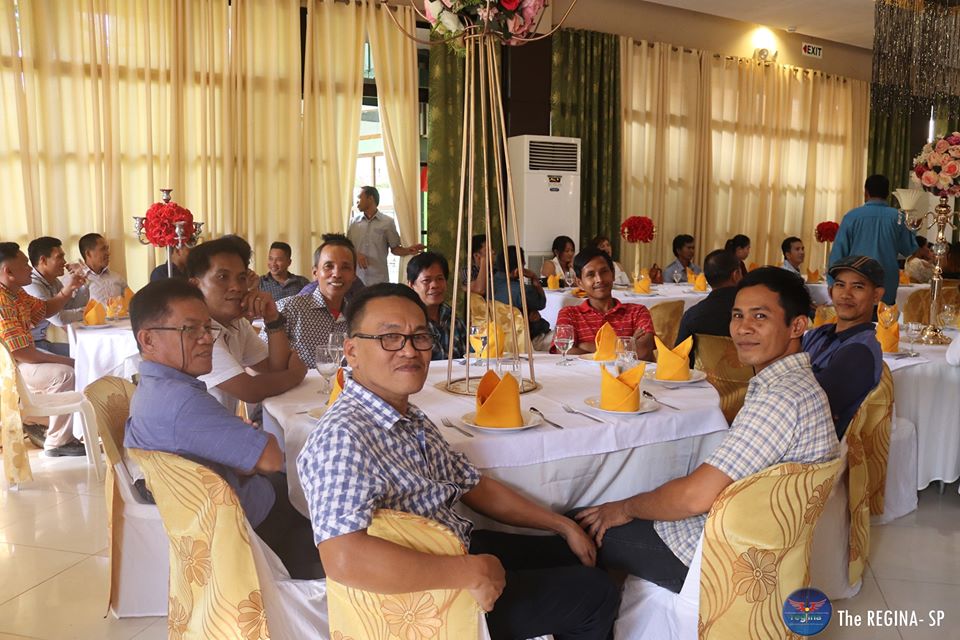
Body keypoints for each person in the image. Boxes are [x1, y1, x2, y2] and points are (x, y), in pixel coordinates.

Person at [297, 283, 619, 640]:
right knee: (596, 593)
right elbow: (343, 557)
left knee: (579, 549)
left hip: (456, 549)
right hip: (429, 598)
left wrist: (562, 525)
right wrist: (467, 573)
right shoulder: (343, 436)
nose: (409, 350)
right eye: (390, 338)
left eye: (419, 336)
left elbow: (472, 485)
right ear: (352, 351)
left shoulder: (407, 417)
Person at [574, 267, 839, 592]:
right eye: (738, 315)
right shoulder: (795, 383)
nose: (743, 328)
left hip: (716, 554)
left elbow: (694, 497)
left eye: (760, 316)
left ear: (796, 325)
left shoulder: (780, 399)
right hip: (756, 536)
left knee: (576, 524)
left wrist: (624, 508)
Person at [124, 279, 321, 579]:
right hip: (248, 527)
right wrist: (251, 448)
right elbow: (269, 458)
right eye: (190, 329)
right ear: (148, 340)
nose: (206, 339)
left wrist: (242, 452)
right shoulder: (182, 402)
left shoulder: (156, 388)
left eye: (207, 328)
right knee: (312, 495)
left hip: (223, 508)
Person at [186, 238, 307, 416]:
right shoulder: (195, 331)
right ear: (195, 286)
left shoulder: (237, 323)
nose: (236, 287)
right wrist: (296, 374)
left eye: (241, 278)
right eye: (223, 277)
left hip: (224, 426)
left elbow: (275, 368)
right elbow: (250, 390)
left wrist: (272, 318)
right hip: (194, 432)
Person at [0, 242, 87, 456]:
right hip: (8, 369)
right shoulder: (3, 301)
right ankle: (58, 441)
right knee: (65, 373)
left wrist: (68, 290)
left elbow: (44, 309)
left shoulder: (15, 293)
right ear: (8, 272)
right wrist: (69, 361)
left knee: (69, 366)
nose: (30, 269)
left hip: (19, 361)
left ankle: (38, 420)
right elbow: (22, 353)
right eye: (25, 264)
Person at [802, 256, 884, 439]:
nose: (846, 294)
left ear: (876, 296)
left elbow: (811, 407)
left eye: (858, 287)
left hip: (811, 446)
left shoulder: (860, 351)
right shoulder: (817, 334)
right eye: (840, 285)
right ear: (830, 291)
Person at [829, 174, 918, 306]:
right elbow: (908, 249)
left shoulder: (852, 217)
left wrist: (833, 284)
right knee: (883, 317)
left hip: (856, 282)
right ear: (888, 193)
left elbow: (838, 254)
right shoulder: (899, 217)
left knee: (856, 316)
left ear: (866, 192)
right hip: (887, 282)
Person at [552, 248, 655, 360]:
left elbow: (643, 352)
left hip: (627, 371)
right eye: (590, 275)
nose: (599, 279)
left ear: (613, 274)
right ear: (580, 282)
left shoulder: (637, 312)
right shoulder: (569, 314)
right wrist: (628, 344)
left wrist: (587, 346)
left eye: (604, 272)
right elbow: (563, 351)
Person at [272, 234, 356, 366]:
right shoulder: (289, 309)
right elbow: (262, 359)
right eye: (328, 266)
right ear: (315, 273)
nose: (337, 274)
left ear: (354, 275)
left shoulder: (356, 317)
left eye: (345, 267)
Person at [675, 249, 743, 365]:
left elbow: (680, 359)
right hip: (753, 375)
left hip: (705, 376)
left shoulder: (692, 315)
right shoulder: (754, 313)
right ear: (735, 275)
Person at [24, 236, 89, 357]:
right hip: (29, 348)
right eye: (60, 257)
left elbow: (71, 306)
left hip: (41, 343)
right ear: (43, 260)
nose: (65, 262)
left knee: (88, 352)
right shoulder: (31, 284)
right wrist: (88, 312)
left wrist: (81, 284)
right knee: (83, 357)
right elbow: (58, 319)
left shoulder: (54, 281)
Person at [347, 186, 424, 286]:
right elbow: (346, 247)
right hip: (356, 280)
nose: (356, 202)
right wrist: (356, 254)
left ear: (370, 198)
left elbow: (395, 249)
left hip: (379, 280)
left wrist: (409, 250)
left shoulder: (387, 222)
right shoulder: (353, 223)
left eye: (359, 197)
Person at [406, 251, 467, 360]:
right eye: (426, 280)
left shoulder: (454, 320)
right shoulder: (407, 323)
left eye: (440, 279)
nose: (434, 285)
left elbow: (470, 359)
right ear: (411, 285)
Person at [492, 246, 550, 345]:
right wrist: (534, 277)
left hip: (499, 339)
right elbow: (542, 303)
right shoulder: (523, 291)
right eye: (523, 266)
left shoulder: (488, 285)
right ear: (516, 271)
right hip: (527, 339)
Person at [77, 233, 128, 304]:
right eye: (103, 249)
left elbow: (131, 303)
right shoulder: (76, 282)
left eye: (107, 249)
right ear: (88, 253)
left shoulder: (117, 278)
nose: (108, 253)